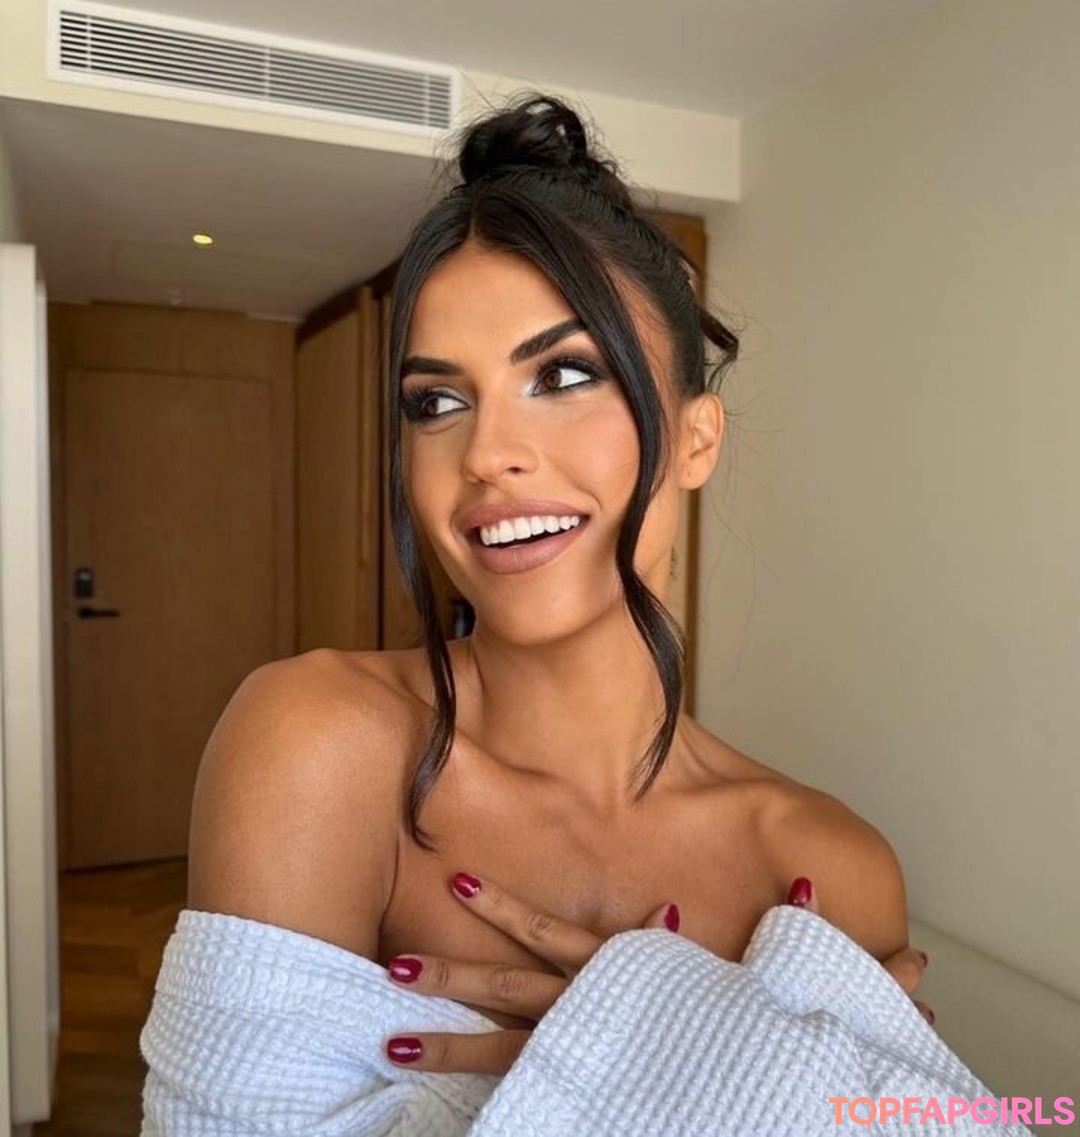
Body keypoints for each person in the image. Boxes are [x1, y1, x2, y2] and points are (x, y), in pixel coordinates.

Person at [184, 92, 931, 1082]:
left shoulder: (831, 870)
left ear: (697, 438)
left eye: (565, 375)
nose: (486, 454)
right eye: (436, 401)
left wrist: (666, 1070)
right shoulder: (315, 745)